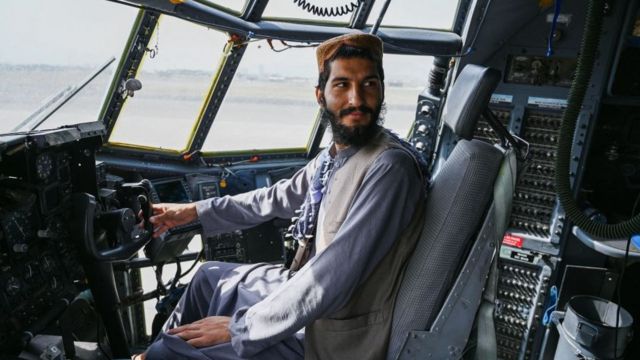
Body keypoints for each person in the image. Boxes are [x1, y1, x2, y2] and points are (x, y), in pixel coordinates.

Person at [139, 33, 428, 360]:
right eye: (342, 85)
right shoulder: (334, 156)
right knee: (208, 278)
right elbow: (273, 199)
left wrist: (240, 327)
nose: (356, 99)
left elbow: (333, 275)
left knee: (169, 353)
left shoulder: (390, 168)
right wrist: (192, 212)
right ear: (321, 96)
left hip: (335, 329)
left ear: (382, 91)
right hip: (308, 287)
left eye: (369, 85)